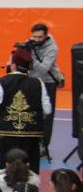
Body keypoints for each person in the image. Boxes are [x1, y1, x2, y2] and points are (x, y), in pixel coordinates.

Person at [0, 47, 51, 174]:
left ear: (13, 65)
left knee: (7, 165)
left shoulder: (2, 81)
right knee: (31, 167)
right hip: (31, 132)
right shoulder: (38, 83)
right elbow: (47, 109)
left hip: (7, 131)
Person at [27, 23, 61, 159]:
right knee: (31, 112)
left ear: (45, 36)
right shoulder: (30, 43)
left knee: (47, 115)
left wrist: (30, 57)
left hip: (48, 82)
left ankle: (44, 146)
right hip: (32, 81)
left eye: (40, 37)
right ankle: (31, 143)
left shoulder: (52, 48)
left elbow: (43, 68)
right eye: (34, 36)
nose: (36, 39)